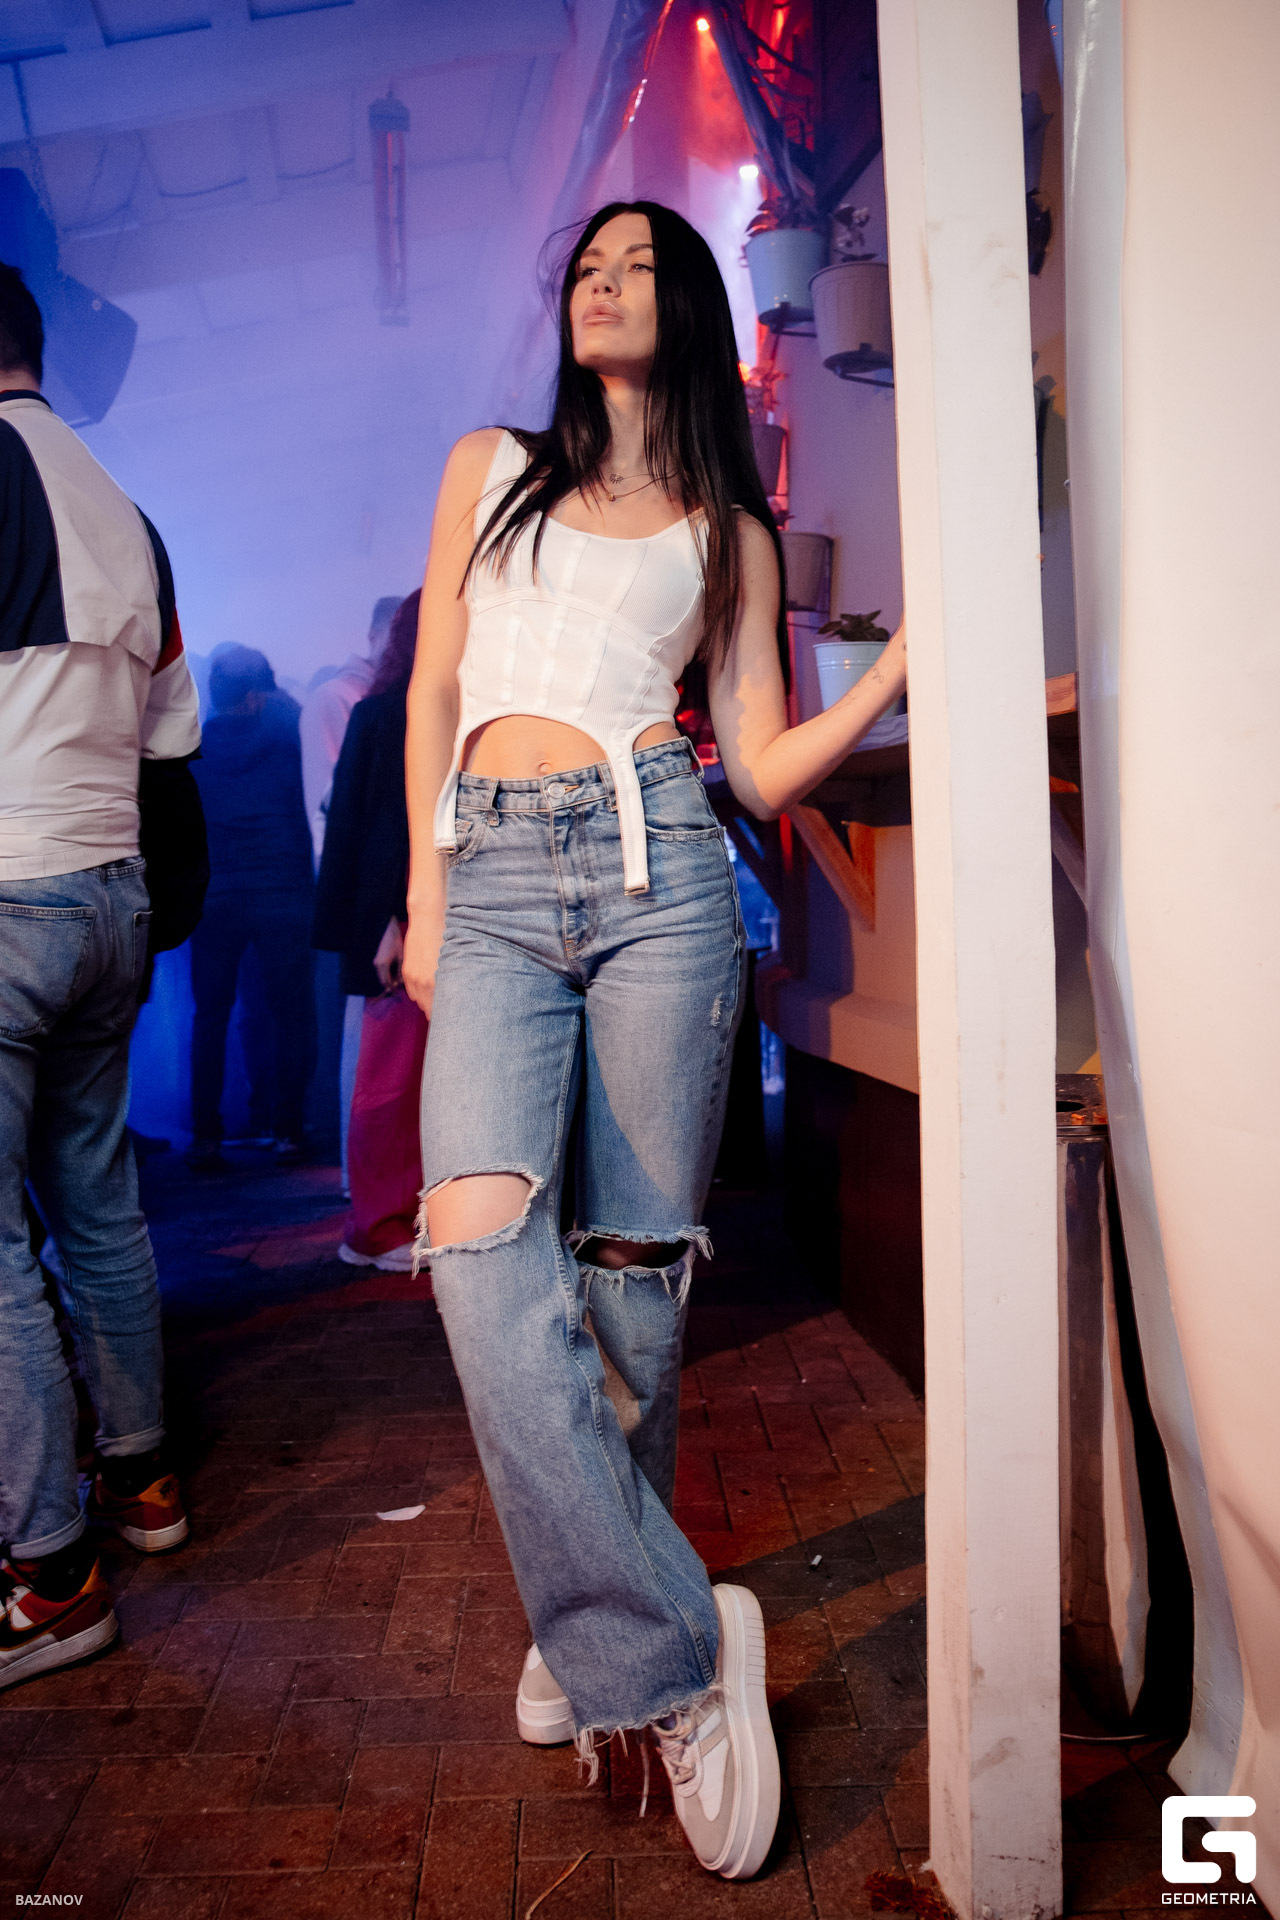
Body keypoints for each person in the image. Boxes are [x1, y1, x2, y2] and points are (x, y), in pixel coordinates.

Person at [402, 203, 907, 1880]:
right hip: (493, 875)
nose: (602, 285)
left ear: (682, 302)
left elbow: (754, 765)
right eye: (584, 268)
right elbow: (435, 687)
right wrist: (424, 886)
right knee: (481, 1253)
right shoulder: (490, 469)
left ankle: (588, 1622)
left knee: (630, 1282)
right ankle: (674, 1649)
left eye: (633, 265)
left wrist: (894, 671)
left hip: (661, 877)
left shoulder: (728, 528)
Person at [0, 263, 199, 1690]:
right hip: (109, 890)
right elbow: (171, 738)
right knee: (98, 1202)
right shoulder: (129, 515)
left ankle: (49, 1576)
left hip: (6, 891)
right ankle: (142, 1480)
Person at [313, 590, 424, 1272]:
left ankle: (396, 1220)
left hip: (433, 917)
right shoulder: (382, 713)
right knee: (392, 1081)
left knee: (414, 1081)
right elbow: (362, 828)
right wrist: (384, 920)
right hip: (401, 921)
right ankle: (378, 1226)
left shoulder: (399, 711)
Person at [188, 646, 316, 1168]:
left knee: (210, 1016)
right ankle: (288, 1130)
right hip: (281, 891)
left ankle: (206, 1138)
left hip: (215, 895)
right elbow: (305, 815)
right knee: (291, 1014)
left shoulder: (192, 751)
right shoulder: (287, 745)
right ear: (258, 696)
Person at [300, 595, 405, 1187]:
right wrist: (362, 907)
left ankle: (369, 1178)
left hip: (366, 882)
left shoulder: (368, 700)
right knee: (369, 1041)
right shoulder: (344, 699)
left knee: (376, 1040)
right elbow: (340, 810)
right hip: (362, 884)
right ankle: (360, 1178)